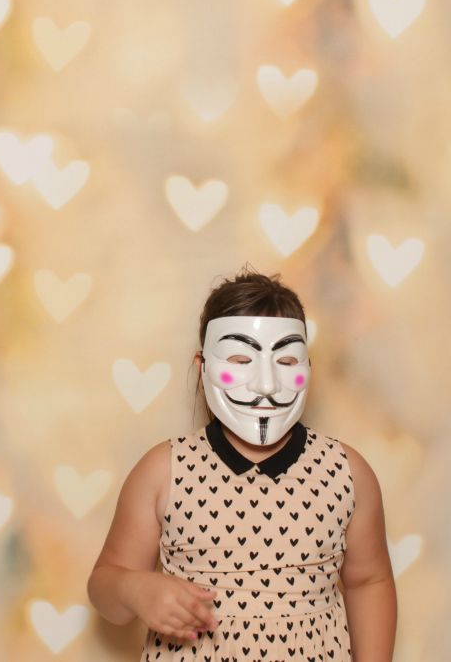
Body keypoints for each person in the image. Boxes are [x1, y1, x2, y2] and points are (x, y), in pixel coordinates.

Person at [87, 267, 397, 661]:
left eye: (286, 360)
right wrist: (136, 590)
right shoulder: (163, 471)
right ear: (202, 367)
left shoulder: (347, 473)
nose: (266, 384)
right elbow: (104, 587)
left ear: (307, 367)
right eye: (240, 359)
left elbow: (369, 581)